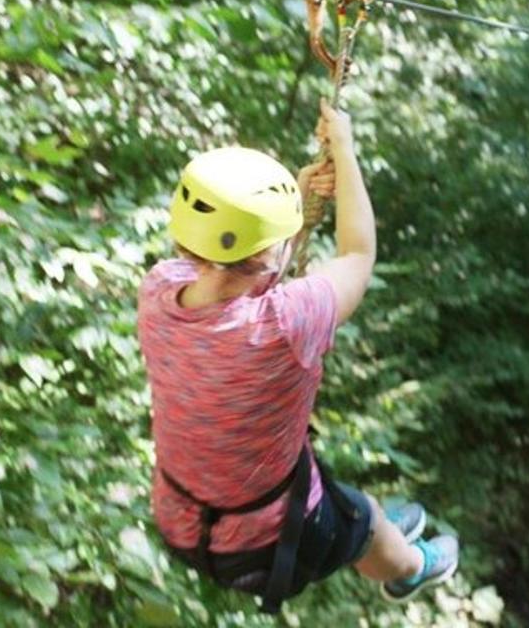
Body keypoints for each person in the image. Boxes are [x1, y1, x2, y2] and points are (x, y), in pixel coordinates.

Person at [136, 100, 458, 613]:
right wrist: (346, 153)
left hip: (181, 515)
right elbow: (357, 256)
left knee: (343, 501)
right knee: (365, 519)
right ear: (270, 254)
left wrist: (297, 204)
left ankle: (369, 534)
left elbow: (243, 280)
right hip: (265, 538)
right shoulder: (285, 325)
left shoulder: (159, 291)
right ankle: (410, 568)